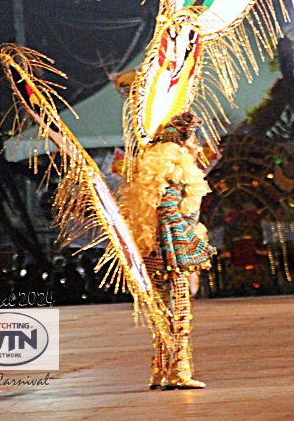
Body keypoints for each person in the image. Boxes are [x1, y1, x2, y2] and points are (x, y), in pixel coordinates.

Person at [120, 111, 215, 390]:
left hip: (151, 247)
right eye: (193, 139)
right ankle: (179, 371)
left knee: (161, 310)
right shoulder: (176, 168)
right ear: (184, 141)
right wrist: (185, 242)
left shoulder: (158, 166)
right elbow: (169, 213)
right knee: (180, 310)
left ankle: (161, 371)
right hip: (171, 247)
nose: (197, 146)